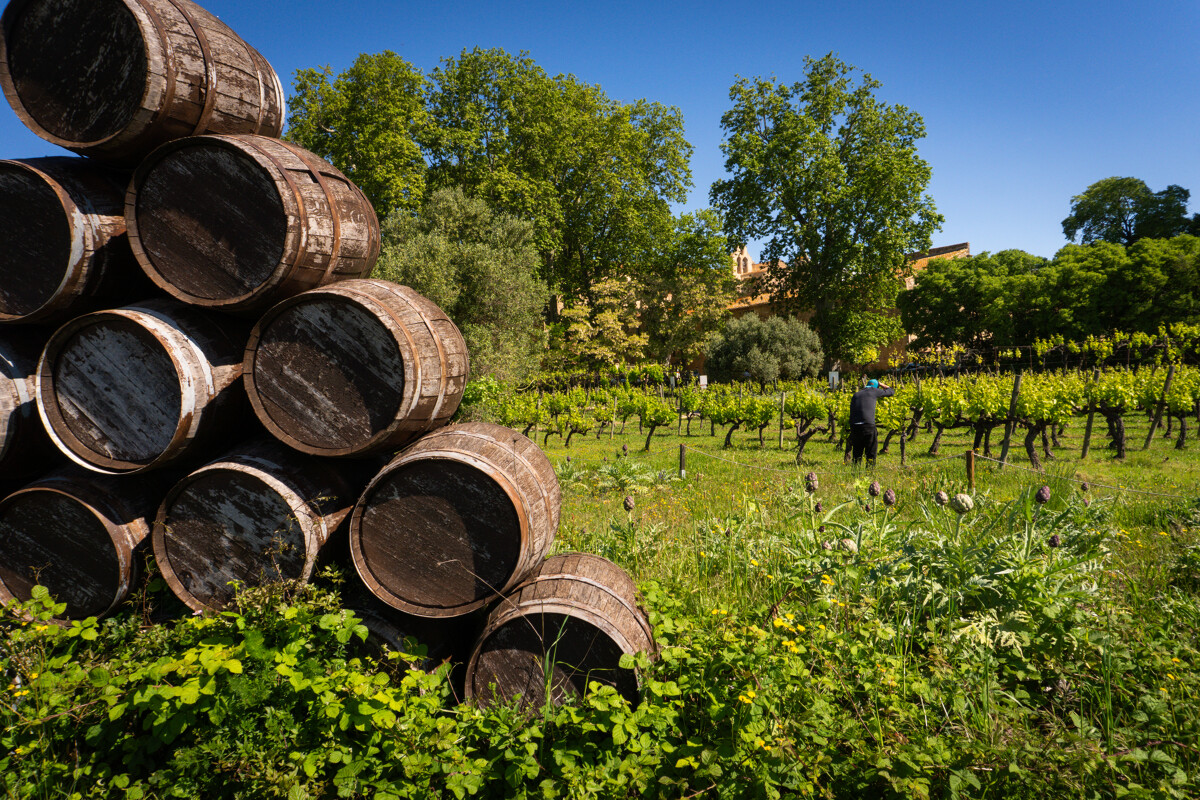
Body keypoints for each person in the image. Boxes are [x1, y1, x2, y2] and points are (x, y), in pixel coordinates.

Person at [848, 379, 894, 466]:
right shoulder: (874, 390)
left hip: (855, 426)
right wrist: (881, 384)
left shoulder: (856, 394)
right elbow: (891, 391)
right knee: (871, 452)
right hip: (868, 425)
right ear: (876, 387)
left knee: (857, 453)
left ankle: (855, 473)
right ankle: (869, 473)